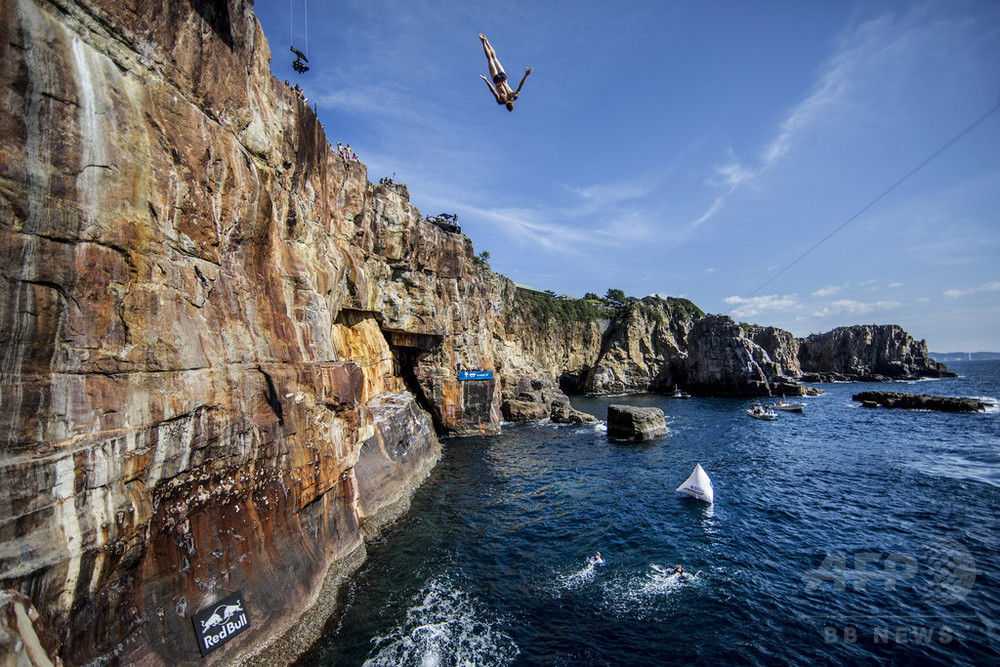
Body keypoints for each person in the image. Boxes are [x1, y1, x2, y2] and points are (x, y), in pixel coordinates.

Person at [479, 33, 532, 112]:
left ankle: (487, 42)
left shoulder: (514, 96)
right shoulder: (501, 101)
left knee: (494, 58)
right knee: (490, 59)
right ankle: (483, 42)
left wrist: (526, 75)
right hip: (497, 80)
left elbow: (520, 86)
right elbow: (493, 90)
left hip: (504, 78)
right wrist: (486, 80)